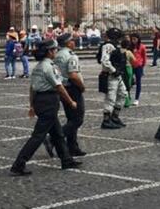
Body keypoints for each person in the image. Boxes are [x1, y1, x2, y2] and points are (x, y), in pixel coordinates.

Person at [9, 40, 82, 175]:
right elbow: (59, 87)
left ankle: (66, 160)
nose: (55, 52)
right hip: (49, 101)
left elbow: (32, 88)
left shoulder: (38, 67)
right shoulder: (49, 67)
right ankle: (19, 164)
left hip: (40, 100)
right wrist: (71, 101)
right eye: (54, 50)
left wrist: (32, 105)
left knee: (58, 133)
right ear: (49, 52)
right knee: (38, 136)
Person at [54, 34, 87, 157]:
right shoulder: (70, 55)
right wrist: (82, 86)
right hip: (72, 88)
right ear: (68, 43)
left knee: (71, 118)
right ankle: (52, 140)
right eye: (72, 40)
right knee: (78, 119)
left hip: (62, 88)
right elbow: (73, 75)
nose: (74, 42)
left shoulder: (57, 55)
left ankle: (72, 146)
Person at [99, 28, 128, 129]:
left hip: (117, 75)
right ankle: (106, 120)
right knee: (110, 98)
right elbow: (104, 61)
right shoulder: (108, 46)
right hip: (111, 75)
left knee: (123, 94)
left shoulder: (115, 46)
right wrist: (113, 70)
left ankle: (115, 116)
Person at [129, 34, 147, 105]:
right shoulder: (130, 47)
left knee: (138, 82)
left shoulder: (142, 47)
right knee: (129, 81)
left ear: (138, 39)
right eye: (132, 39)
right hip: (131, 65)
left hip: (139, 65)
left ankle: (136, 99)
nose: (133, 41)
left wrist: (143, 65)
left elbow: (144, 56)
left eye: (135, 39)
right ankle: (128, 96)